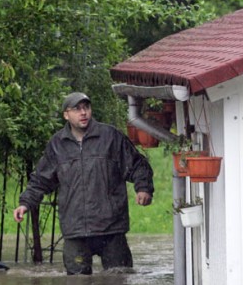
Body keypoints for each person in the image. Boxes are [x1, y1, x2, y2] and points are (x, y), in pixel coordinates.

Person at [13, 92, 154, 274]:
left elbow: (138, 164)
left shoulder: (110, 137)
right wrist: (25, 204)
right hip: (75, 230)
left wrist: (143, 188)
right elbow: (41, 179)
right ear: (66, 115)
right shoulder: (57, 144)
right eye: (77, 109)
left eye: (86, 107)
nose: (83, 113)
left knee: (119, 282)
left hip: (110, 228)